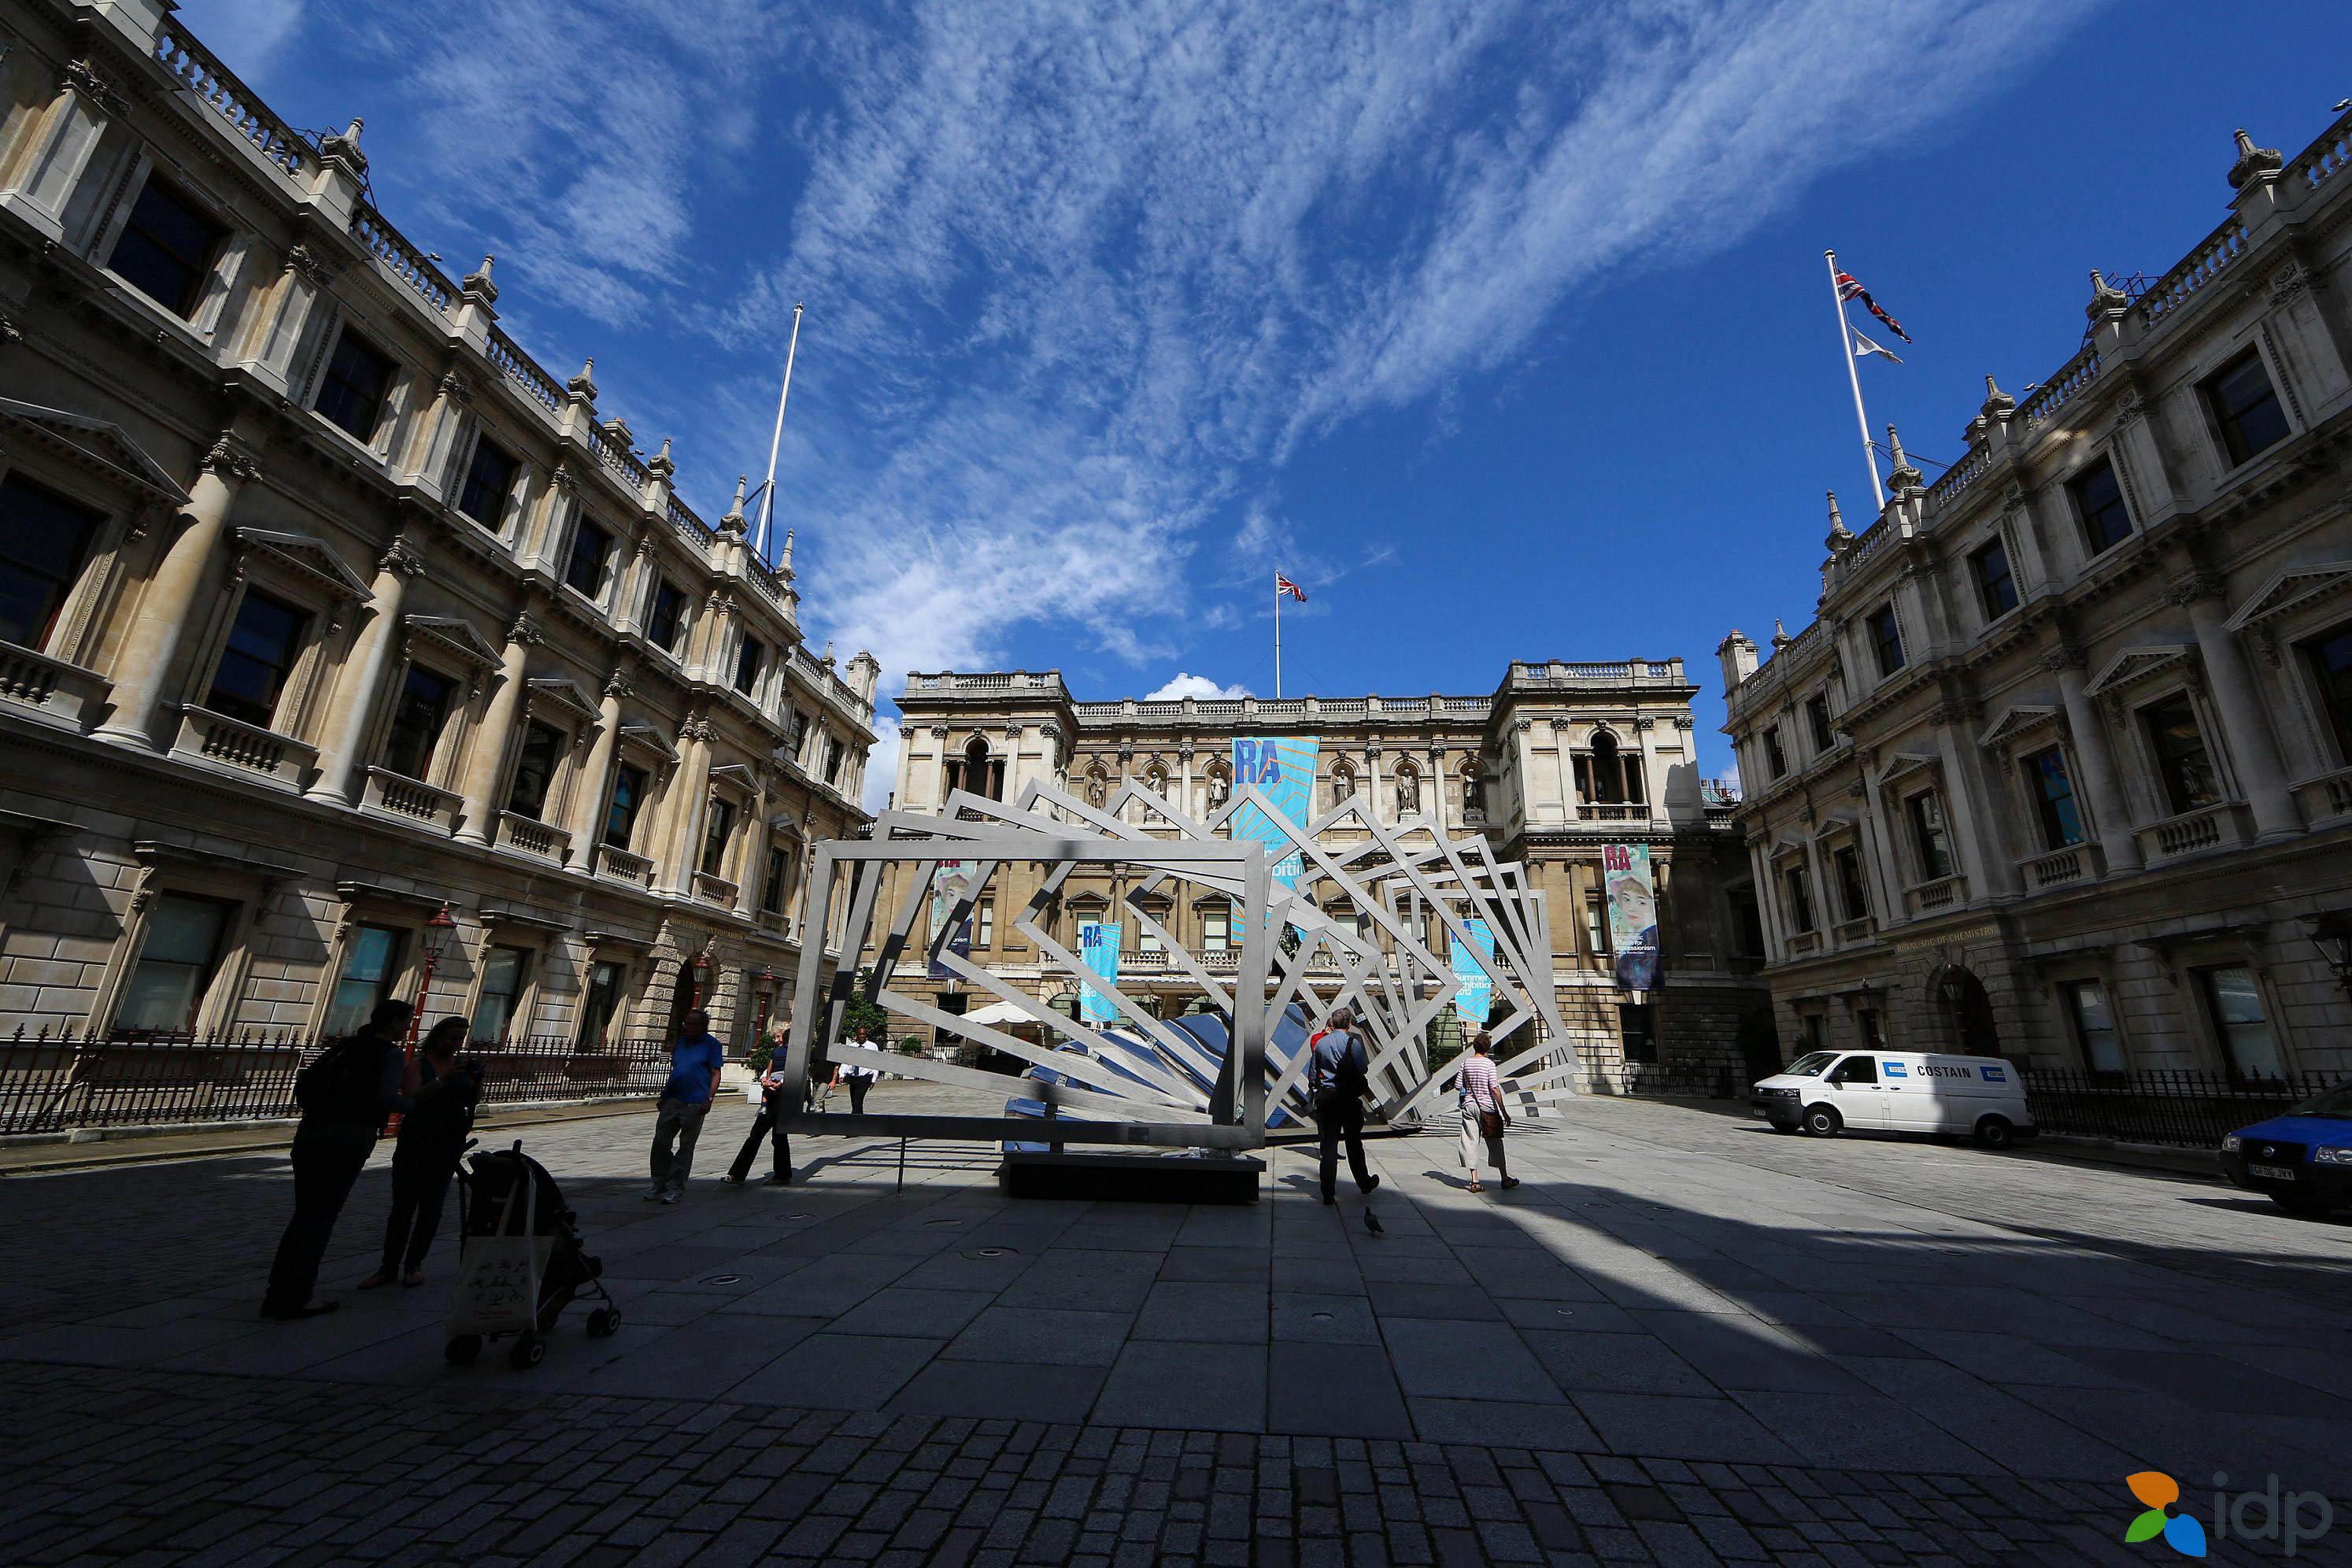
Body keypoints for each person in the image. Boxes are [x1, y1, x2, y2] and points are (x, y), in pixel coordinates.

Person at [261, 999, 416, 1319]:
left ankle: (278, 1293)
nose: (408, 1029)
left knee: (304, 1216)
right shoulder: (389, 1053)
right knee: (320, 1218)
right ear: (393, 1023)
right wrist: (416, 1105)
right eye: (406, 1022)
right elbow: (386, 1098)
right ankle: (296, 1297)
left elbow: (307, 1084)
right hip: (349, 1137)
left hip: (311, 1133)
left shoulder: (346, 1046)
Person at [359, 1016, 479, 1289]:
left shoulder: (459, 1067)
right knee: (402, 1208)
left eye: (460, 1039)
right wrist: (443, 1080)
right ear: (438, 1036)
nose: (456, 1044)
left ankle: (414, 1265)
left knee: (432, 1209)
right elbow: (411, 1098)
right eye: (452, 1038)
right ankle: (388, 1267)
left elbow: (471, 1100)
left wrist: (476, 1079)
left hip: (448, 1143)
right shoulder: (418, 1065)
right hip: (416, 1142)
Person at [647, 1009, 725, 1204]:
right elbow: (676, 1070)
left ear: (701, 1026)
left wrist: (709, 1098)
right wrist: (664, 1095)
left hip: (696, 1101)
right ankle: (659, 1182)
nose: (686, 1027)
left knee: (686, 1145)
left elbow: (716, 1073)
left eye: (690, 1024)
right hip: (673, 1098)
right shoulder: (681, 1043)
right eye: (685, 1023)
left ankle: (675, 1188)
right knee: (660, 1142)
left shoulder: (712, 1045)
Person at [1307, 1006, 1381, 1206]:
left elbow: (1313, 1073)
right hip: (1347, 1098)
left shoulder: (1321, 1044)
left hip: (1327, 1098)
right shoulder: (1353, 1043)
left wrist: (1315, 1091)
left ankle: (1328, 1193)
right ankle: (1364, 1182)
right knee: (1354, 1143)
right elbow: (1362, 1068)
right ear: (1349, 1024)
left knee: (1329, 1146)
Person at [722, 1025, 795, 1186]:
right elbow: (769, 1070)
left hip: (783, 1098)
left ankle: (781, 1174)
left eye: (779, 1036)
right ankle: (738, 1174)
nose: (777, 1040)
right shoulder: (777, 1052)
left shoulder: (793, 1053)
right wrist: (765, 1080)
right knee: (760, 1135)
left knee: (777, 1136)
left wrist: (778, 1083)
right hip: (772, 1096)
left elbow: (795, 1072)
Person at [1456, 1030, 1517, 1194]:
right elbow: (1494, 1088)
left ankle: (1475, 1181)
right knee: (1495, 1142)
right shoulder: (1489, 1064)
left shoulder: (1465, 1063)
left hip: (1469, 1106)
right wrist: (1504, 1112)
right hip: (1488, 1108)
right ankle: (1505, 1178)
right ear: (1487, 1048)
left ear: (1474, 1046)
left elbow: (1457, 1085)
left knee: (1470, 1141)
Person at [836, 1024, 882, 1114]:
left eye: (864, 1034)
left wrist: (873, 1079)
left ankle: (854, 1120)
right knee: (854, 1101)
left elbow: (876, 1064)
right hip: (853, 1077)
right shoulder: (851, 1047)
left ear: (866, 1035)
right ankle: (859, 1120)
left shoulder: (873, 1047)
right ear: (857, 1035)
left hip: (865, 1077)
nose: (862, 1036)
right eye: (860, 1034)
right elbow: (846, 1062)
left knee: (858, 1100)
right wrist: (842, 1074)